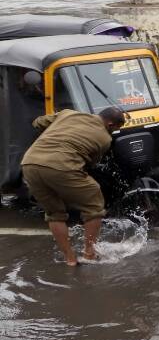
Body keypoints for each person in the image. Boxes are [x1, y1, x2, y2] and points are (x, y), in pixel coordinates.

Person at [20, 107, 127, 266]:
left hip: (29, 163)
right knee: (94, 205)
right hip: (61, 166)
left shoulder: (68, 113)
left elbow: (38, 122)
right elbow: (89, 164)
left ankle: (70, 258)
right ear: (111, 125)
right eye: (116, 129)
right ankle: (89, 253)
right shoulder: (104, 138)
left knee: (54, 213)